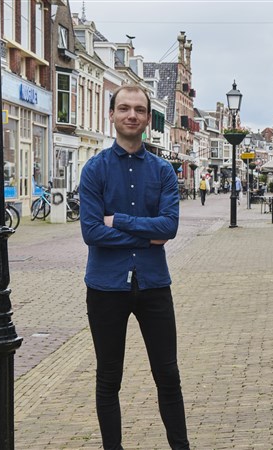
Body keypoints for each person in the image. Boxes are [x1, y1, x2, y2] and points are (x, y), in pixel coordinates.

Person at [79, 85, 190, 450]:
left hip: (154, 285)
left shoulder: (163, 171)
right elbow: (92, 232)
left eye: (139, 110)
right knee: (109, 378)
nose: (132, 115)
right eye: (124, 109)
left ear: (146, 118)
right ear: (111, 115)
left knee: (168, 375)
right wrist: (147, 236)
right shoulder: (94, 169)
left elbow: (169, 227)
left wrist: (120, 220)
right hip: (106, 287)